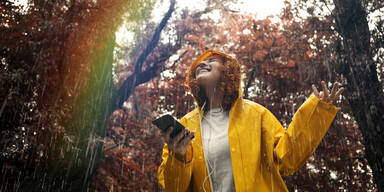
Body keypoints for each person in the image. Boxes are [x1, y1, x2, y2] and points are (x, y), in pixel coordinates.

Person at [157, 50, 344, 191]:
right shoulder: (185, 126)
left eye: (211, 60)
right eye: (199, 63)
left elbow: (289, 157)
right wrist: (179, 158)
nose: (202, 64)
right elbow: (174, 188)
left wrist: (317, 110)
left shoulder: (255, 114)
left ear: (226, 71)